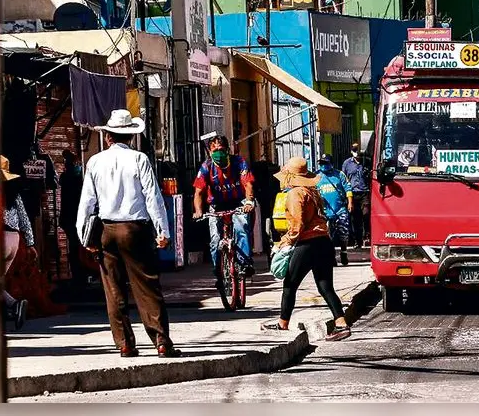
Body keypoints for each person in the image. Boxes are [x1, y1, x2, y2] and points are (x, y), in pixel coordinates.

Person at [76, 110, 180, 358]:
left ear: (108, 137)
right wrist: (162, 231)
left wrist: (85, 238)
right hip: (135, 230)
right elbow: (152, 197)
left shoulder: (95, 162)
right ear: (131, 137)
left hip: (105, 230)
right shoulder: (139, 159)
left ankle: (125, 343)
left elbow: (87, 202)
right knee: (146, 286)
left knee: (113, 290)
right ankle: (161, 342)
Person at [263, 157, 351, 341]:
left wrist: (284, 242)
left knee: (290, 285)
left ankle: (282, 324)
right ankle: (341, 324)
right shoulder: (313, 191)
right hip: (324, 241)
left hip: (307, 244)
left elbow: (297, 224)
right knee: (325, 286)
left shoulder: (295, 194)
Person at [193, 135, 256, 286]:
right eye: (214, 150)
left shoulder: (239, 162)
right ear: (209, 151)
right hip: (217, 204)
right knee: (215, 239)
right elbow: (198, 192)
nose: (218, 153)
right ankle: (218, 270)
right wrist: (198, 210)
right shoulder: (206, 167)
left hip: (238, 202)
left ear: (228, 150)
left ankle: (244, 263)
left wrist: (249, 201)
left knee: (241, 227)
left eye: (221, 149)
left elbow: (248, 184)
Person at [1, 155, 33, 331]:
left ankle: (14, 304)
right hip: (14, 239)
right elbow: (25, 219)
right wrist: (30, 243)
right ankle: (13, 307)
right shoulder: (14, 194)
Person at [317, 154, 352, 266]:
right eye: (321, 163)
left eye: (325, 163)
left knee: (343, 232)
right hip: (325, 212)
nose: (323, 165)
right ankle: (331, 257)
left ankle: (343, 252)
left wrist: (350, 202)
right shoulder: (316, 176)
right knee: (327, 236)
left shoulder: (339, 175)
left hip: (340, 209)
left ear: (331, 163)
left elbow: (348, 188)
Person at [59, 149, 87, 287]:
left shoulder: (65, 177)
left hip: (68, 217)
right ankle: (80, 275)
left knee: (74, 247)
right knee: (79, 247)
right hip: (75, 217)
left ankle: (78, 275)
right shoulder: (76, 179)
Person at [341, 143, 369, 249]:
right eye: (354, 150)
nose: (357, 153)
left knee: (366, 214)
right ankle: (358, 241)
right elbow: (343, 178)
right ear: (351, 152)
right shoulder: (347, 163)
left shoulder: (367, 162)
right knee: (355, 218)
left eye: (358, 150)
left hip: (365, 192)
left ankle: (366, 235)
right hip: (352, 193)